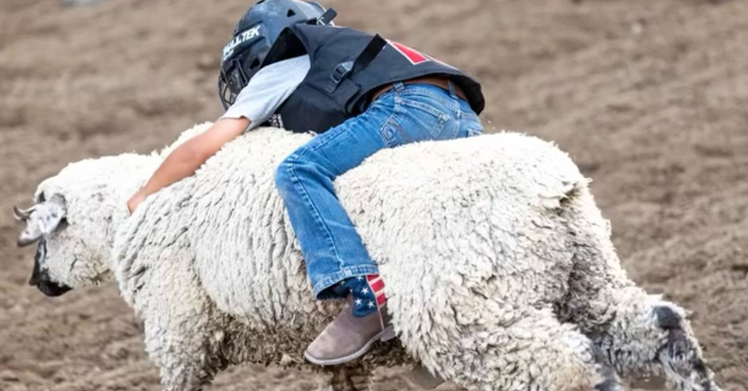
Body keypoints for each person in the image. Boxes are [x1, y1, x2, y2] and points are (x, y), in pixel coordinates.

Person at [126, 0, 485, 367]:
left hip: (406, 109)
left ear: (257, 54)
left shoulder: (281, 66)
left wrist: (144, 193)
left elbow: (203, 145)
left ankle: (367, 296)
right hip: (463, 116)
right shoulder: (338, 49)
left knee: (298, 170)